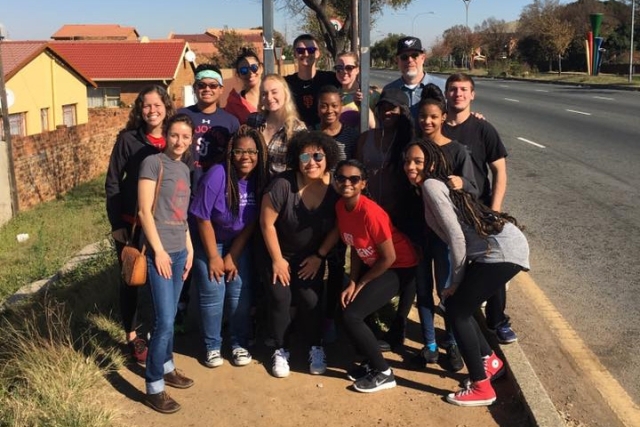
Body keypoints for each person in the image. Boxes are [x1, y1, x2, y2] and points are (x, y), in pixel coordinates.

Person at [403, 139, 529, 406]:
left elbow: (456, 238)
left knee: (457, 311)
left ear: (433, 164)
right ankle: (491, 363)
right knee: (460, 306)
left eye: (417, 161)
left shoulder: (431, 186)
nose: (410, 166)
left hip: (500, 250)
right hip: (494, 249)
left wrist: (455, 280)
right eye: (407, 161)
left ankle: (482, 387)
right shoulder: (432, 188)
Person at [259, 131, 340, 378]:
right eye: (305, 155)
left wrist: (319, 255)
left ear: (328, 157)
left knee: (311, 299)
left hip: (310, 258)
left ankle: (315, 346)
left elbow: (339, 226)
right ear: (296, 157)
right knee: (281, 298)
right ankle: (281, 349)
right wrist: (277, 260)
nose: (311, 162)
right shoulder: (283, 184)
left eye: (318, 156)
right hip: (277, 253)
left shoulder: (334, 186)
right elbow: (267, 224)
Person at [442, 73, 515, 344]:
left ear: (472, 95)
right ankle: (457, 322)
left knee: (491, 261)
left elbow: (500, 171)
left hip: (479, 209)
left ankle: (498, 321)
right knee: (454, 265)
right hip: (447, 212)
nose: (458, 94)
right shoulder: (439, 128)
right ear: (446, 94)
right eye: (453, 89)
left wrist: (494, 210)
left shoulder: (483, 129)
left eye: (463, 89)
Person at [410, 83, 479, 371]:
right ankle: (430, 345)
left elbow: (475, 187)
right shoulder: (413, 149)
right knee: (422, 289)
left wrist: (462, 184)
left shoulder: (457, 151)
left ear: (443, 118)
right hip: (417, 229)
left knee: (447, 289)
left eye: (433, 117)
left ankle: (452, 342)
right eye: (423, 117)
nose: (427, 122)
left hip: (445, 235)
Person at [105, 85, 175, 364]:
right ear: (139, 109)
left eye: (157, 105)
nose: (152, 110)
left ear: (167, 107)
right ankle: (132, 337)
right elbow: (112, 181)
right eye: (146, 105)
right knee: (132, 279)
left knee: (163, 279)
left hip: (165, 225)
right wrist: (115, 223)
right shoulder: (128, 140)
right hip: (131, 224)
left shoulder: (174, 138)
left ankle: (163, 331)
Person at [189, 125, 269, 368]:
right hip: (210, 239)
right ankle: (213, 346)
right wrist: (214, 256)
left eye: (252, 152)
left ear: (259, 154)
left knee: (239, 294)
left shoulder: (259, 179)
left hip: (238, 242)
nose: (246, 157)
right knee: (213, 293)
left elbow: (253, 220)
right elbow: (202, 217)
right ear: (230, 153)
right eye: (239, 151)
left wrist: (234, 254)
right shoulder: (218, 175)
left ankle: (238, 343)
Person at [335, 159, 418, 393]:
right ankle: (372, 362)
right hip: (376, 265)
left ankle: (384, 373)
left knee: (352, 316)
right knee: (350, 305)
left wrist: (361, 283)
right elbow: (357, 248)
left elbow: (389, 257)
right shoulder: (341, 207)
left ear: (363, 183)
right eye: (341, 178)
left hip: (399, 266)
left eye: (354, 179)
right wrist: (352, 282)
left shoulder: (371, 213)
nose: (347, 183)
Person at [137, 113, 195, 414]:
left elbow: (181, 215)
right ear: (166, 135)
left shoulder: (185, 169)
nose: (179, 141)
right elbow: (145, 212)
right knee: (164, 321)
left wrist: (189, 249)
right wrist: (158, 252)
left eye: (185, 137)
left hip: (179, 253)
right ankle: (154, 385)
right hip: (159, 254)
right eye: (175, 135)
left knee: (171, 315)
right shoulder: (153, 163)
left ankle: (169, 366)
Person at [177, 64, 240, 330]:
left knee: (214, 251)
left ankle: (223, 312)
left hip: (217, 199)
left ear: (220, 90)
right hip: (185, 193)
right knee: (184, 255)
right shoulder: (182, 115)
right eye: (202, 85)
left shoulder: (230, 121)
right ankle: (180, 308)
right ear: (195, 88)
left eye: (212, 85)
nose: (207, 90)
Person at [355, 87, 416, 352]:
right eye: (383, 107)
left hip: (402, 214)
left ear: (403, 112)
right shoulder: (366, 138)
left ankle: (399, 324)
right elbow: (356, 171)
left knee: (408, 268)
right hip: (370, 215)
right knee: (370, 261)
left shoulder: (410, 142)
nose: (388, 112)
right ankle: (367, 319)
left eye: (394, 108)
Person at [249, 73, 306, 176]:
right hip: (253, 187)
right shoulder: (254, 120)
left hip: (281, 188)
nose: (269, 98)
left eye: (274, 92)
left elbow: (304, 161)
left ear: (285, 93)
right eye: (264, 94)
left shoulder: (297, 129)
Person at [383, 36, 446, 121]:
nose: (410, 60)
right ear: (397, 60)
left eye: (414, 55)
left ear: (423, 58)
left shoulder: (443, 86)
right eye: (404, 57)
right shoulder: (389, 90)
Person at [285, 34, 340, 129]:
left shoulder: (331, 79)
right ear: (295, 54)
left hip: (326, 134)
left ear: (318, 53)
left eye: (311, 50)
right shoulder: (286, 83)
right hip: (297, 135)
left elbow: (350, 87)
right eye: (300, 51)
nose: (306, 54)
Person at [334, 51, 376, 130]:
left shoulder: (370, 95)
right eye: (339, 68)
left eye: (349, 68)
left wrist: (362, 105)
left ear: (357, 69)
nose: (344, 71)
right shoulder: (332, 95)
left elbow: (376, 127)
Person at [317, 85, 360, 161]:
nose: (329, 110)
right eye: (324, 106)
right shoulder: (310, 133)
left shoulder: (352, 135)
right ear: (318, 107)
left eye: (334, 106)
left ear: (341, 106)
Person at [225, 49, 263, 124]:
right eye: (244, 70)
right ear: (238, 75)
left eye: (254, 67)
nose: (250, 73)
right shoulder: (234, 105)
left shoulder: (275, 95)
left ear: (261, 68)